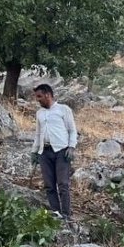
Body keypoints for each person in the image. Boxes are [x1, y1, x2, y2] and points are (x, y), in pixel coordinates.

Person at [30, 84, 77, 221]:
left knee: (63, 183)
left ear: (48, 95)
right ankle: (56, 211)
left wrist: (71, 147)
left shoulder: (63, 109)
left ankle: (66, 214)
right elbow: (38, 133)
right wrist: (34, 151)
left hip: (61, 151)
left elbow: (72, 130)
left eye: (39, 97)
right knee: (49, 184)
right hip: (44, 152)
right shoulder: (39, 113)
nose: (37, 100)